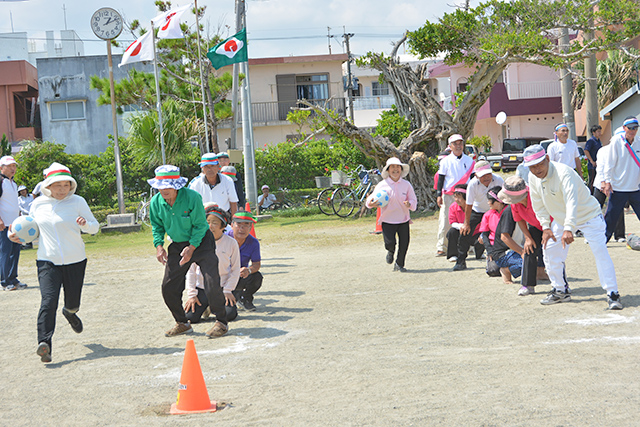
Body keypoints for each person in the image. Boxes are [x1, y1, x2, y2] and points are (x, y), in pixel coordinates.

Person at [10, 163, 99, 363]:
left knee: (72, 302)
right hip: (47, 261)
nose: (61, 189)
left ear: (71, 186)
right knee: (48, 302)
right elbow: (27, 227)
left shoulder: (78, 202)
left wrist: (86, 225)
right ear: (47, 185)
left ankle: (70, 312)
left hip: (76, 260)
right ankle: (44, 344)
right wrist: (13, 234)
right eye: (56, 185)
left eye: (65, 185)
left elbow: (95, 227)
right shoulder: (38, 204)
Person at [525, 145, 623, 310]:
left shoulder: (564, 172)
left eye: (539, 164)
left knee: (600, 252)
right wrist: (546, 227)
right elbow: (538, 204)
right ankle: (560, 290)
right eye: (532, 166)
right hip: (561, 219)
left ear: (547, 159)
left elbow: (572, 201)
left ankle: (613, 294)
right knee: (549, 249)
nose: (536, 169)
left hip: (588, 216)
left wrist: (569, 228)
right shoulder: (533, 177)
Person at [149, 165, 229, 338]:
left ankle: (221, 322)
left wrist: (192, 248)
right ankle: (182, 322)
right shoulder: (156, 202)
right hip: (178, 244)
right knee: (168, 287)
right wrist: (159, 246)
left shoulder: (192, 197)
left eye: (168, 186)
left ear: (177, 185)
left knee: (211, 282)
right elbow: (157, 226)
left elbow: (201, 225)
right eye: (160, 186)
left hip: (201, 242)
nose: (164, 190)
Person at [184, 203, 240, 323]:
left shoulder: (231, 243)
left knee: (229, 315)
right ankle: (206, 306)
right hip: (202, 288)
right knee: (190, 317)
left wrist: (228, 290)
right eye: (207, 222)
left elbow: (235, 269)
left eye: (215, 223)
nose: (210, 226)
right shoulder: (196, 243)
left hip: (222, 288)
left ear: (223, 226)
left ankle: (213, 306)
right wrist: (192, 294)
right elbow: (191, 271)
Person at [365, 157, 417, 272]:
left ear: (401, 170)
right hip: (388, 220)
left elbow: (414, 201)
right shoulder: (382, 185)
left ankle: (399, 264)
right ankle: (390, 251)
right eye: (392, 167)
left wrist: (410, 204)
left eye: (397, 167)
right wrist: (371, 203)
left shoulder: (406, 185)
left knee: (404, 243)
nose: (395, 169)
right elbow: (369, 201)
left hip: (403, 219)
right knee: (390, 243)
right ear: (388, 170)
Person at [498, 176, 548, 296]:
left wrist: (547, 231)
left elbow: (550, 213)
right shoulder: (515, 204)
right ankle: (527, 285)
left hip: (550, 224)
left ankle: (561, 285)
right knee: (529, 249)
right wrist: (527, 238)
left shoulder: (536, 196)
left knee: (553, 252)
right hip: (534, 226)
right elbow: (519, 219)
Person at [453, 160, 504, 271]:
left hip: (495, 210)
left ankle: (501, 259)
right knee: (465, 232)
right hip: (478, 210)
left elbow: (504, 199)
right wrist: (466, 223)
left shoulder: (499, 180)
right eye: (483, 175)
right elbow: (469, 204)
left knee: (501, 231)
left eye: (488, 174)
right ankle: (460, 261)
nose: (486, 177)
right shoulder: (472, 184)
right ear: (476, 175)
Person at [435, 134, 475, 257]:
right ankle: (443, 247)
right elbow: (441, 179)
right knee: (446, 221)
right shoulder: (445, 161)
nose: (458, 146)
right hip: (450, 194)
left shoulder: (469, 161)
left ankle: (471, 247)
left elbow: (473, 178)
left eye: (460, 143)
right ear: (450, 146)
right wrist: (438, 195)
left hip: (466, 194)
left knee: (469, 219)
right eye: (455, 144)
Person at [602, 116, 640, 243]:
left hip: (635, 187)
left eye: (635, 128)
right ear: (624, 128)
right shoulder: (617, 142)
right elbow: (610, 163)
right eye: (630, 128)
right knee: (611, 217)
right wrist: (607, 181)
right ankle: (602, 241)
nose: (633, 131)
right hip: (619, 187)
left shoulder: (639, 141)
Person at [478, 186, 523, 285]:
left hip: (511, 246)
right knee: (493, 270)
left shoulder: (509, 211)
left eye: (490, 200)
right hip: (498, 249)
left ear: (498, 201)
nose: (488, 203)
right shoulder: (488, 215)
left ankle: (508, 266)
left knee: (531, 264)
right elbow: (484, 235)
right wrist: (490, 252)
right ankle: (506, 269)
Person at [593, 128, 626, 242]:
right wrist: (603, 181)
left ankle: (619, 235)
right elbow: (600, 166)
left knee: (617, 209)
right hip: (601, 184)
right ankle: (593, 234)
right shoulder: (603, 150)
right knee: (595, 208)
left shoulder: (626, 150)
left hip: (616, 184)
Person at [0, 155, 26, 291]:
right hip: (4, 225)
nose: (13, 168)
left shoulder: (14, 183)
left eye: (14, 166)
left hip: (15, 224)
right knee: (5, 252)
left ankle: (13, 278)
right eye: (9, 166)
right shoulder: (0, 181)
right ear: (1, 168)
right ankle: (4, 281)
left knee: (15, 251)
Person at [229, 211, 262, 311]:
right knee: (228, 311)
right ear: (232, 225)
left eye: (246, 225)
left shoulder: (254, 243)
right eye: (238, 224)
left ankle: (245, 298)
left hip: (240, 275)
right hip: (224, 277)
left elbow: (256, 264)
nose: (241, 229)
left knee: (257, 277)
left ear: (251, 227)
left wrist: (248, 270)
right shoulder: (223, 239)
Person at [445, 184, 483, 263]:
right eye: (455, 197)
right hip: (461, 232)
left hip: (475, 232)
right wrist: (462, 226)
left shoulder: (476, 207)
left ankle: (479, 253)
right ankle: (453, 254)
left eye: (459, 197)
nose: (456, 199)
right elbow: (452, 222)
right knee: (452, 232)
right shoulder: (453, 207)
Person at [584, 124, 602, 194]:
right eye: (598, 131)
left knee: (597, 182)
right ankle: (589, 195)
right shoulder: (591, 141)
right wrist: (592, 161)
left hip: (598, 164)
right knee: (592, 182)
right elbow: (586, 150)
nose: (600, 133)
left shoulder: (598, 141)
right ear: (593, 132)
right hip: (592, 165)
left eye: (600, 131)